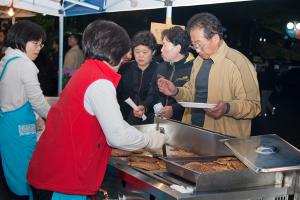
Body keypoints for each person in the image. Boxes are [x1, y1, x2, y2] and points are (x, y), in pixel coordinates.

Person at [27, 20, 168, 200]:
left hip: (51, 170)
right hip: (62, 179)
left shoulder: (88, 71)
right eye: (125, 55)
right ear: (115, 51)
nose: (125, 60)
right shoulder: (100, 82)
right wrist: (150, 140)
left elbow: (111, 121)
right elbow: (117, 135)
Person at [157, 13, 261, 138]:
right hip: (193, 133)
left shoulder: (238, 63)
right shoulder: (198, 61)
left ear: (215, 38)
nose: (197, 50)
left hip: (224, 139)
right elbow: (192, 94)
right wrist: (175, 91)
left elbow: (253, 106)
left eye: (199, 44)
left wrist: (227, 108)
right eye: (194, 45)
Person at [0, 20, 50, 197]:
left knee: (13, 174)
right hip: (20, 130)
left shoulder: (7, 59)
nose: (38, 48)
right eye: (35, 43)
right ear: (21, 39)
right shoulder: (25, 64)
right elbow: (37, 100)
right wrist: (55, 118)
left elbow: (16, 95)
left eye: (41, 44)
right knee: (25, 175)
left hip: (7, 126)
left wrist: (36, 117)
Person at [134, 26, 194, 122]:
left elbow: (194, 98)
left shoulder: (193, 68)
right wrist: (145, 106)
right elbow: (153, 93)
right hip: (157, 121)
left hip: (181, 124)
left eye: (165, 45)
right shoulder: (161, 67)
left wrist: (174, 110)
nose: (161, 50)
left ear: (178, 48)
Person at [117, 30, 158, 125]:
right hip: (124, 118)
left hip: (149, 120)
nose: (140, 56)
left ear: (153, 52)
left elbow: (156, 95)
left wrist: (145, 107)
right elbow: (118, 93)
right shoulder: (125, 68)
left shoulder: (159, 69)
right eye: (137, 51)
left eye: (145, 52)